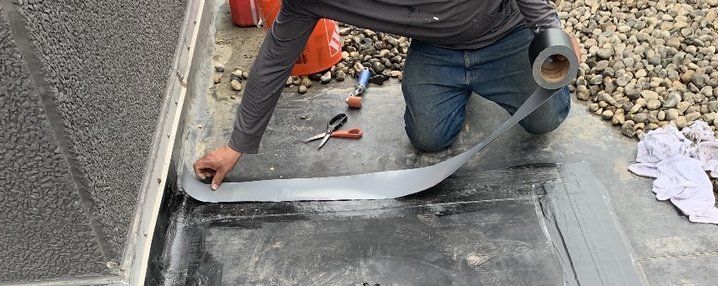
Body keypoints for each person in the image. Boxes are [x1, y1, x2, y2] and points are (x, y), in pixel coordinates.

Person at [194, 0, 581, 188]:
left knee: (544, 120)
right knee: (429, 139)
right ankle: (463, 89)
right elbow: (274, 60)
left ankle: (491, 85)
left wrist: (551, 31)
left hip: (504, 36)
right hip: (437, 49)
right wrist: (237, 145)